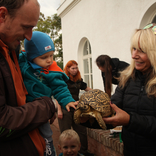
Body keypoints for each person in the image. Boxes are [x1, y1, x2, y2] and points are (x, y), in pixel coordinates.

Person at [83, 23, 156, 156]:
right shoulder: (127, 78)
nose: (134, 55)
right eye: (133, 48)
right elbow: (112, 110)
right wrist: (90, 114)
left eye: (142, 50)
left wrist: (129, 120)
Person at [0, 0, 56, 156]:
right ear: (2, 15)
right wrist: (47, 106)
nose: (29, 36)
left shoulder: (12, 46)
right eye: (26, 27)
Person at [19, 31, 77, 156]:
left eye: (51, 55)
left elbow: (60, 87)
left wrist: (68, 100)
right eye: (44, 57)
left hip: (41, 110)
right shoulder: (22, 61)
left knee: (46, 134)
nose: (49, 60)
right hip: (23, 108)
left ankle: (49, 151)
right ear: (31, 56)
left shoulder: (51, 71)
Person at [57, 60, 94, 156]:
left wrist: (97, 93)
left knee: (82, 131)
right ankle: (65, 153)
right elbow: (58, 94)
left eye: (76, 68)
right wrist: (59, 110)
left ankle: (83, 152)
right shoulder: (63, 79)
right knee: (65, 133)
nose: (75, 70)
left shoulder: (78, 80)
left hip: (77, 108)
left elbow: (86, 88)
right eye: (73, 68)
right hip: (65, 108)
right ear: (68, 69)